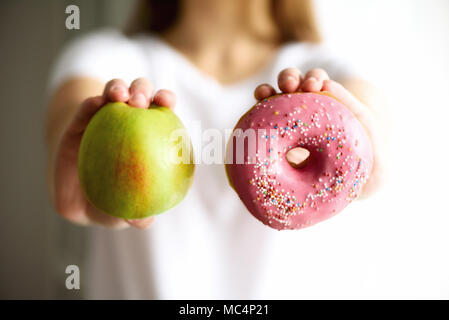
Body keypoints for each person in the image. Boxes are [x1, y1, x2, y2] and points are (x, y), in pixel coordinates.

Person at [46, 0, 384, 299]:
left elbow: (370, 125)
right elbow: (71, 112)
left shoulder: (329, 70)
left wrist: (370, 150)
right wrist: (83, 174)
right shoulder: (108, 57)